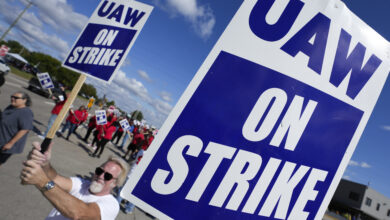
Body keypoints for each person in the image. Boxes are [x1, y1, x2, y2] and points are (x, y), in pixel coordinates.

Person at [20, 142, 129, 220]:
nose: (100, 176)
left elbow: (79, 214)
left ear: (115, 183)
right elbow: (55, 179)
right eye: (100, 170)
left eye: (108, 176)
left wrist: (42, 182)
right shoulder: (82, 184)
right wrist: (44, 163)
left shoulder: (112, 204)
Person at [0, 91, 33, 167]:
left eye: (16, 98)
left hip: (6, 144)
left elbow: (25, 129)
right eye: (12, 96)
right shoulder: (10, 107)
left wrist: (10, 143)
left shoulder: (26, 113)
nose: (12, 99)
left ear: (24, 100)